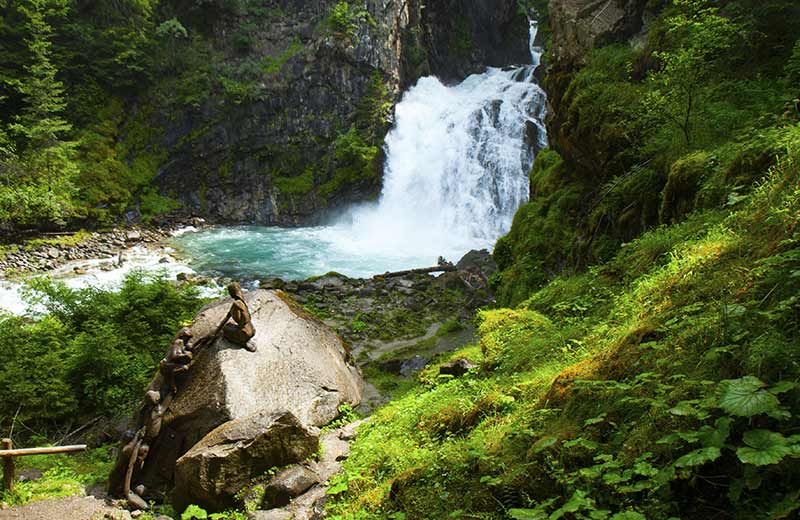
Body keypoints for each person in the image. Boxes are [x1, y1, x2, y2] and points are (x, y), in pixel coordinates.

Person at [215, 282, 257, 352]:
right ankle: (246, 339)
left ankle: (242, 342)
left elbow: (232, 318)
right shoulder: (243, 301)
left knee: (225, 329)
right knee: (231, 325)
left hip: (244, 333)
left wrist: (216, 332)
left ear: (232, 292)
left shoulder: (236, 304)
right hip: (252, 330)